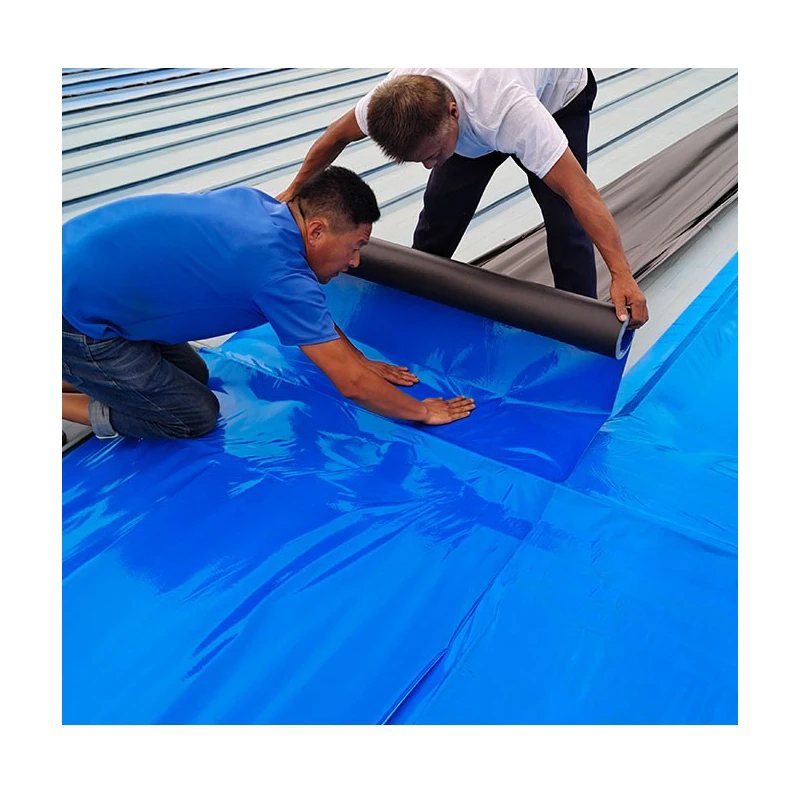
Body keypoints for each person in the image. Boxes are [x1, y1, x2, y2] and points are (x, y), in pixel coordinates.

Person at [62, 166, 475, 440]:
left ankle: (77, 373)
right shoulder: (279, 273)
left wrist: (359, 359)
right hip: (74, 318)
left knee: (194, 373)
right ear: (317, 231)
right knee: (192, 414)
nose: (354, 262)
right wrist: (422, 412)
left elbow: (316, 324)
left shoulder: (262, 207)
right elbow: (350, 384)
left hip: (77, 268)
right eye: (354, 246)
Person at [276, 68, 649, 329]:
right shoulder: (393, 97)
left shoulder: (509, 112)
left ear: (452, 114)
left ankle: (580, 332)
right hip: (473, 121)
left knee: (566, 223)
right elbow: (336, 136)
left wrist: (621, 274)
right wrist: (293, 191)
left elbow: (580, 191)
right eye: (420, 159)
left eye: (433, 154)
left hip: (558, 100)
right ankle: (414, 304)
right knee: (437, 221)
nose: (428, 166)